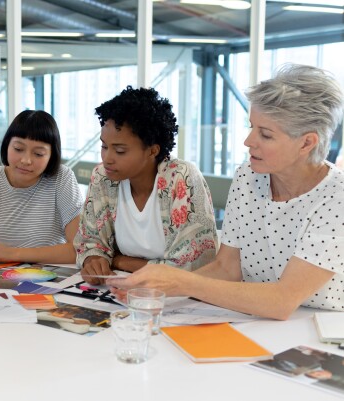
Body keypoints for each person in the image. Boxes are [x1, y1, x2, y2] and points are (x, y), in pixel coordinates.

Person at [107, 64, 344, 320]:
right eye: (251, 126)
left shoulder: (336, 196)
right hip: (256, 319)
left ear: (307, 143)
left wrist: (180, 282)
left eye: (265, 134)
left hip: (320, 331)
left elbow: (282, 301)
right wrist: (158, 291)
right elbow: (227, 268)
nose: (248, 141)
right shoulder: (248, 177)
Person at [74, 86, 217, 284]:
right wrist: (94, 259)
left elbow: (192, 266)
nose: (107, 158)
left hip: (178, 298)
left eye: (120, 151)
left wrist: (119, 261)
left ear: (152, 151)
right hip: (121, 293)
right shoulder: (103, 177)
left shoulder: (181, 178)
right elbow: (89, 241)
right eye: (104, 146)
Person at [0, 110, 83, 264]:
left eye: (38, 154)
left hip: (51, 276)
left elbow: (78, 249)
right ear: (7, 145)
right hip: (3, 276)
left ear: (52, 156)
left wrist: (13, 253)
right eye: (18, 149)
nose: (26, 160)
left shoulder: (62, 178)